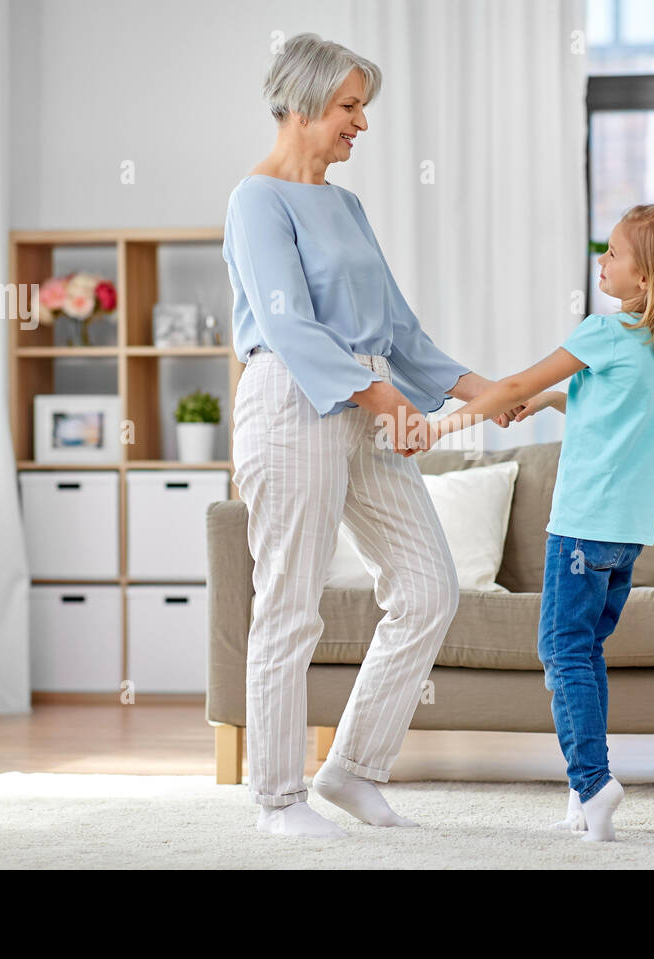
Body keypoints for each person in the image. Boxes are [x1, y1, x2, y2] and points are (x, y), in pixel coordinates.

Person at [223, 33, 523, 838]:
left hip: (367, 392)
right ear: (302, 101)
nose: (362, 123)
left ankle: (352, 769)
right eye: (351, 106)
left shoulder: (346, 205)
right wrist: (387, 400)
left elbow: (397, 326)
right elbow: (289, 324)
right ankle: (277, 800)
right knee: (289, 601)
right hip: (293, 399)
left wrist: (483, 390)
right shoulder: (257, 199)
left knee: (428, 585)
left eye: (364, 107)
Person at [413, 203, 654, 842]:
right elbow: (611, 410)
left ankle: (595, 782)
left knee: (560, 650)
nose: (603, 261)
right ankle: (583, 791)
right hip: (626, 534)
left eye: (615, 254)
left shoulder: (604, 331)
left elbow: (514, 379)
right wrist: (547, 402)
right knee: (586, 648)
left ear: (647, 278)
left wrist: (437, 427)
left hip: (580, 525)